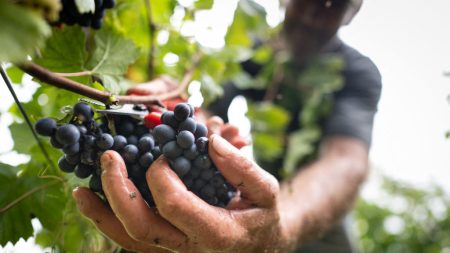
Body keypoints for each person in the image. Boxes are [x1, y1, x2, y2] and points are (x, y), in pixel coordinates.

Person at [72, 0, 382, 252]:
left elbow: (346, 160)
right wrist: (179, 110)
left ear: (352, 13)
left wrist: (283, 222)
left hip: (317, 210)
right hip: (246, 196)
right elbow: (208, 113)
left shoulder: (356, 72)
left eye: (334, 5)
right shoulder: (254, 52)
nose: (314, 15)